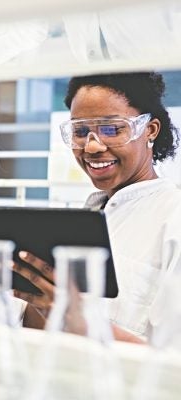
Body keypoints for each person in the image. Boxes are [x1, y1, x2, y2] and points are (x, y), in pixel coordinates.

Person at [11, 72, 181, 343]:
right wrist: (39, 300)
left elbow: (173, 364)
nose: (91, 146)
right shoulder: (89, 215)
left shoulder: (174, 218)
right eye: (80, 131)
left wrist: (82, 321)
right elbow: (39, 331)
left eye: (112, 129)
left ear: (149, 130)